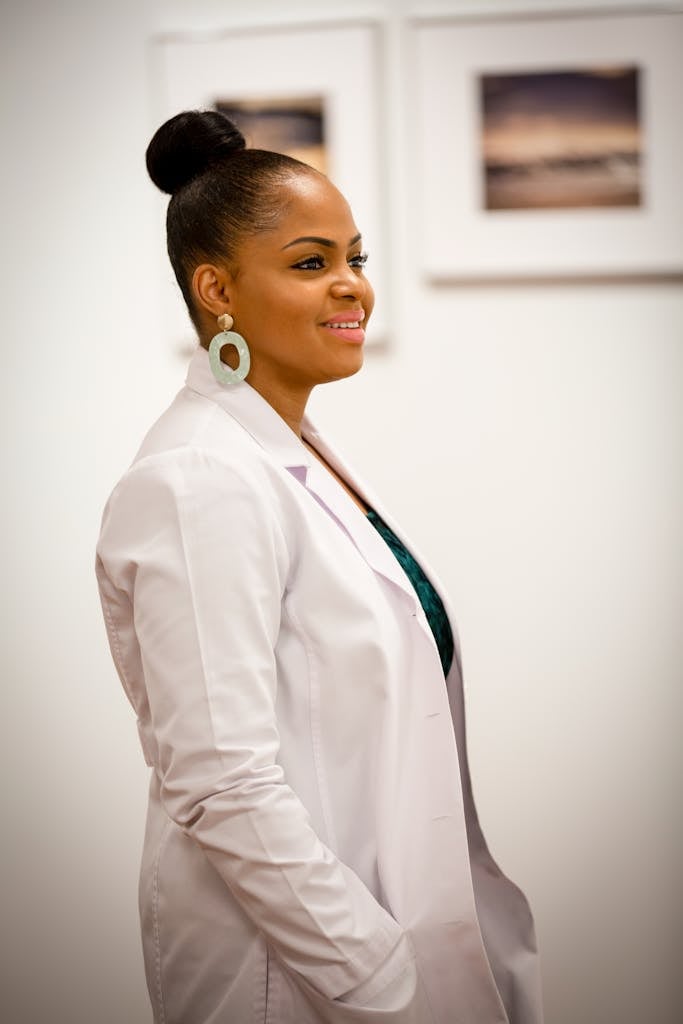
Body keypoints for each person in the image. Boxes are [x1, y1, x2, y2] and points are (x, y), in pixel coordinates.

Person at [95, 109, 544, 1024]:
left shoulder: (290, 449)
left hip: (390, 940)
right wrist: (373, 972)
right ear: (216, 288)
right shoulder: (197, 478)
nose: (353, 289)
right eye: (310, 263)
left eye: (356, 258)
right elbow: (221, 780)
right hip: (299, 978)